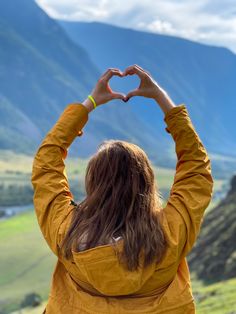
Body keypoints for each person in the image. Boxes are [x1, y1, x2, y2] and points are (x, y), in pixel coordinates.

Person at [31, 64, 214, 313]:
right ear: (147, 182)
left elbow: (46, 165)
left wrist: (89, 105)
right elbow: (196, 167)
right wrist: (160, 97)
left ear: (93, 183)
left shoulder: (66, 232)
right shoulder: (172, 232)